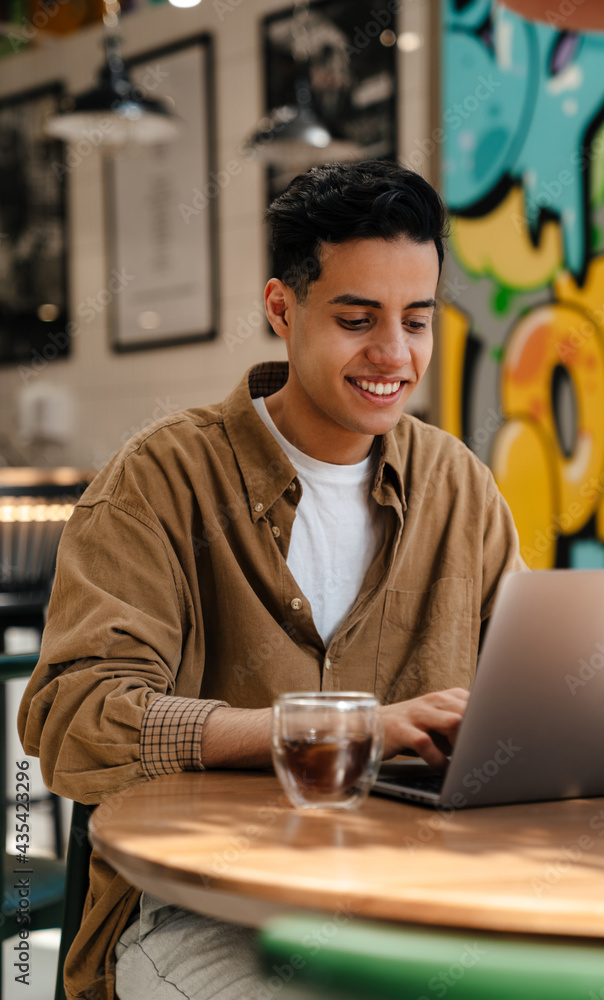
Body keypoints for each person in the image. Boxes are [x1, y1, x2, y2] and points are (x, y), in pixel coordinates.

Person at [18, 160, 524, 1000]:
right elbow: (73, 725)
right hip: (197, 905)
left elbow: (531, 700)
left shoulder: (458, 486)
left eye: (417, 321)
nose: (393, 355)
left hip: (420, 898)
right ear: (280, 310)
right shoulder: (159, 480)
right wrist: (337, 729)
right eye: (357, 319)